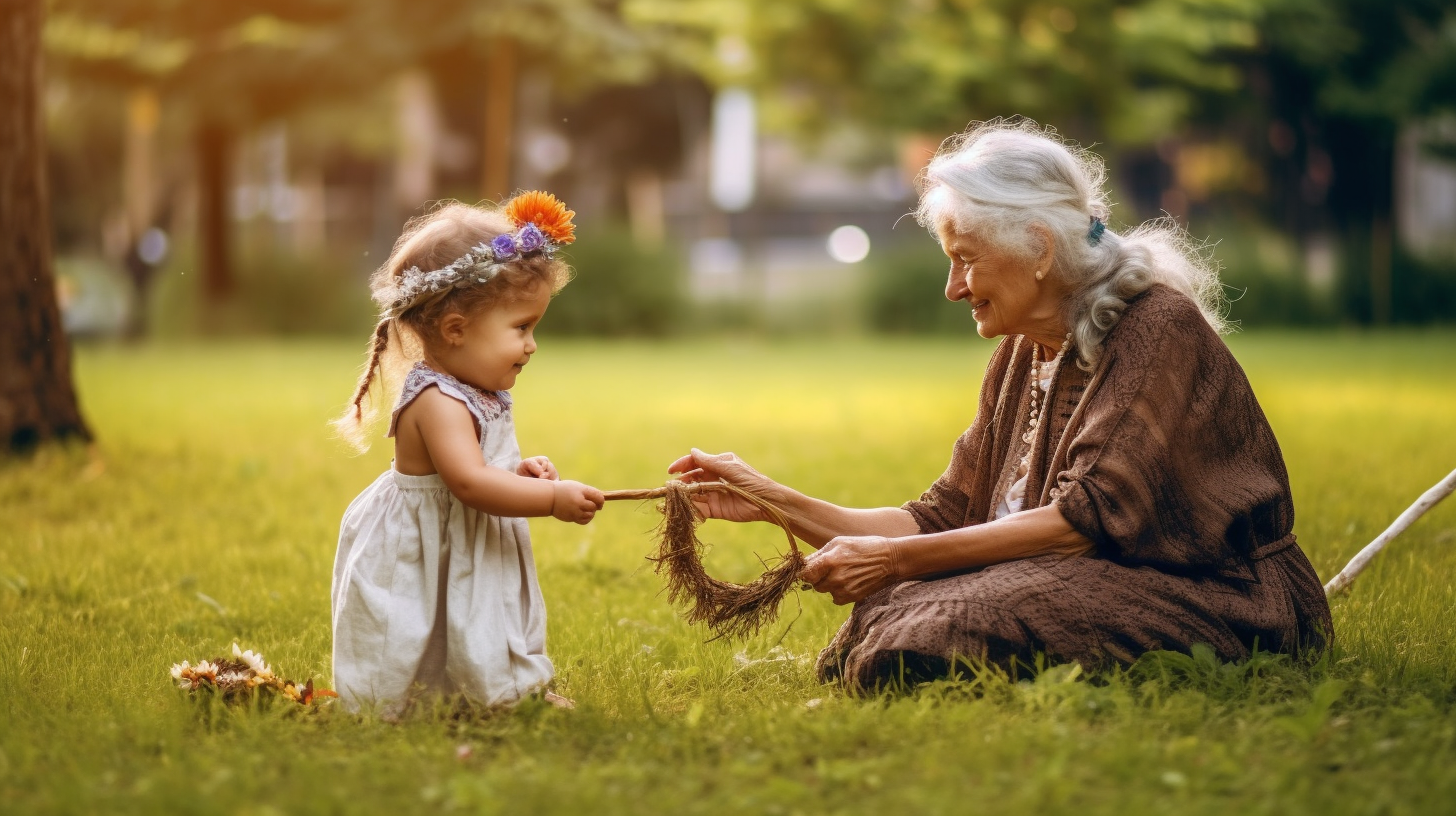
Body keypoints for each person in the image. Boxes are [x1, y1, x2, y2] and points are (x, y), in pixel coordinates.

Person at [670, 120, 1332, 689]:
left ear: (1038, 249)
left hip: (1222, 597)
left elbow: (1083, 523)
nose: (954, 288)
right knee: (892, 612)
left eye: (966, 260)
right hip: (1092, 576)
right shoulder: (1021, 353)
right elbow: (939, 518)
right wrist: (771, 501)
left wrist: (893, 563)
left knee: (935, 621)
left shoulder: (1157, 326)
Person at [330, 193, 604, 714]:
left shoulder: (475, 389)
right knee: (427, 618)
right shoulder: (437, 400)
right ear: (456, 329)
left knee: (482, 610)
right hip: (429, 538)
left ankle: (497, 692)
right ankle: (426, 703)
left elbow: (485, 470)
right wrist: (548, 498)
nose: (532, 344)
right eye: (521, 327)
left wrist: (521, 473)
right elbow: (470, 483)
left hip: (462, 531)